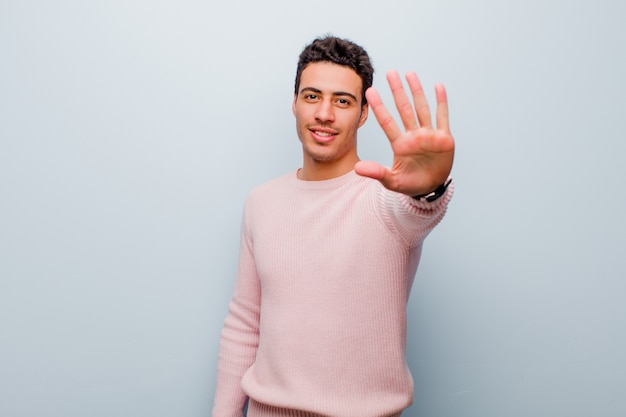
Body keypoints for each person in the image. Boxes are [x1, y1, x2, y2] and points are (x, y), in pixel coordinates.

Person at [212, 35, 455, 417]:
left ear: (362, 114)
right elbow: (245, 322)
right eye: (312, 96)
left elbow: (421, 210)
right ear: (294, 103)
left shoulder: (387, 200)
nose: (324, 113)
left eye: (342, 101)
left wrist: (429, 188)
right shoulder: (261, 202)